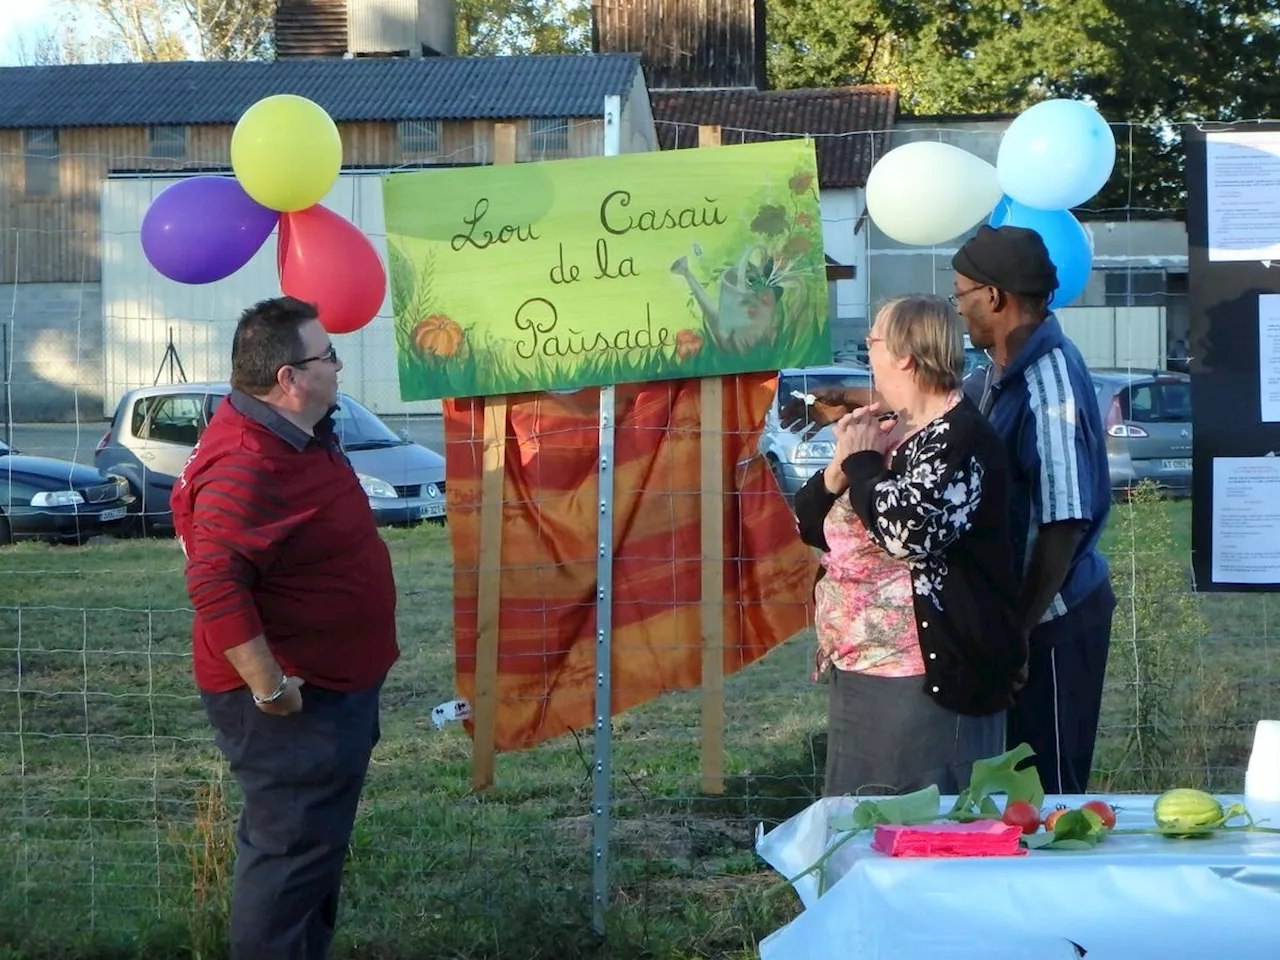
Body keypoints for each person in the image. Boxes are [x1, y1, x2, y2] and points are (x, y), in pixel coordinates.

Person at [171, 296, 399, 959]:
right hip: (292, 700)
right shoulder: (248, 461)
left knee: (309, 849)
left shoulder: (294, 431)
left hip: (332, 684)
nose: (338, 363)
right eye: (327, 354)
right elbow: (214, 579)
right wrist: (270, 688)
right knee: (290, 856)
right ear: (288, 378)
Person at [793, 295, 1026, 797]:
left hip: (926, 678)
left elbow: (907, 532)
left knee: (924, 827)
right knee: (859, 823)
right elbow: (809, 523)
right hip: (860, 666)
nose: (867, 350)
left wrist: (861, 467)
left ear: (903, 354)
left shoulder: (960, 439)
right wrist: (838, 469)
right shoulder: (891, 428)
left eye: (872, 339)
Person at [951, 225, 1116, 795]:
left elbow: (1064, 521)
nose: (960, 311)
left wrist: (1018, 633)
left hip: (1051, 620)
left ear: (993, 297)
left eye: (961, 295)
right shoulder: (1002, 369)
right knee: (1012, 793)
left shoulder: (1049, 380)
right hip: (1022, 617)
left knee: (1046, 792)